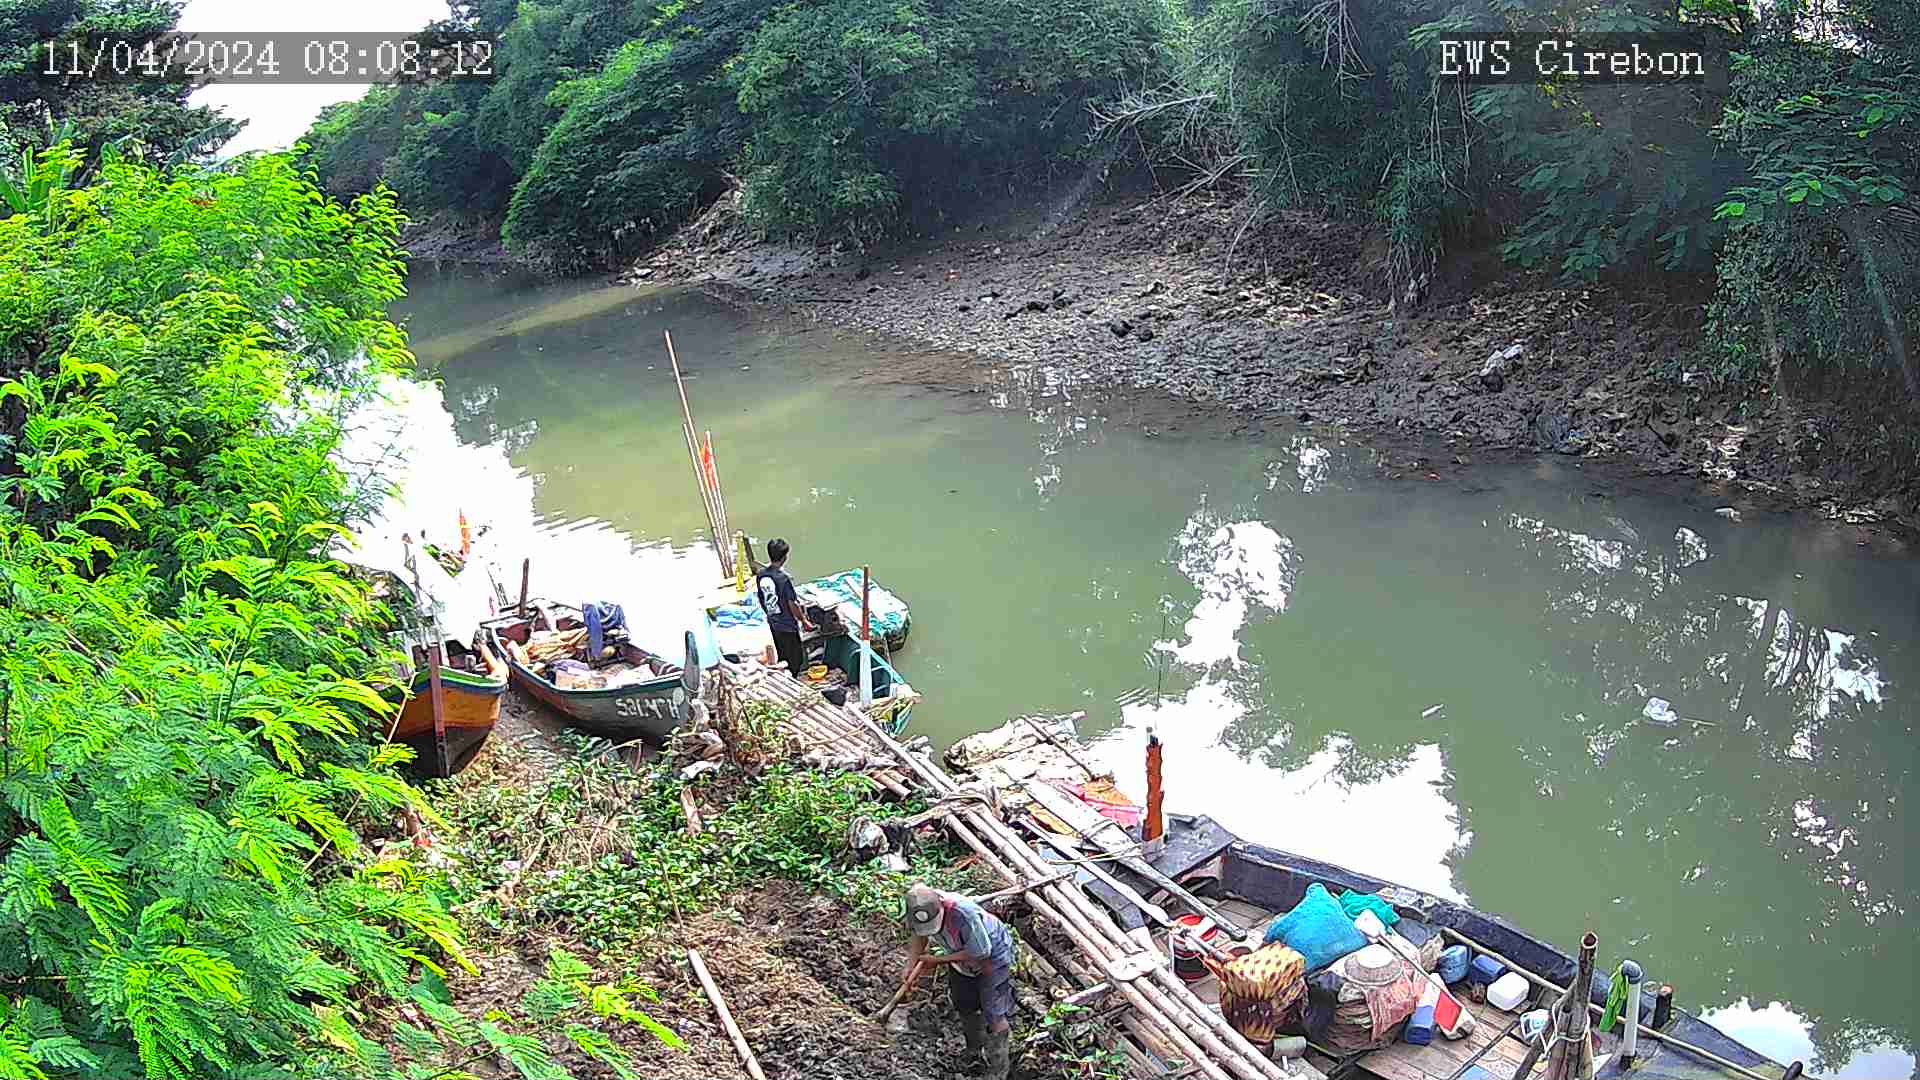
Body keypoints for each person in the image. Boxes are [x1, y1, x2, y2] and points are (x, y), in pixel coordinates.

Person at [903, 882, 1016, 1079]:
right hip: (959, 957)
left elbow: (980, 952)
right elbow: (918, 935)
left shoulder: (964, 914)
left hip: (992, 957)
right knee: (964, 1003)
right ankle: (974, 1052)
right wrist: (910, 965)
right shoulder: (918, 910)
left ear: (941, 906)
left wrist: (938, 960)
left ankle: (998, 1070)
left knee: (994, 1012)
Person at [754, 537, 812, 675]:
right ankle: (793, 678)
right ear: (784, 557)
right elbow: (792, 604)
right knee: (796, 659)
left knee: (783, 655)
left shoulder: (761, 575)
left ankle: (786, 674)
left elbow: (762, 598)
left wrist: (770, 615)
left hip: (774, 623)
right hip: (788, 625)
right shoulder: (783, 579)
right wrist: (803, 620)